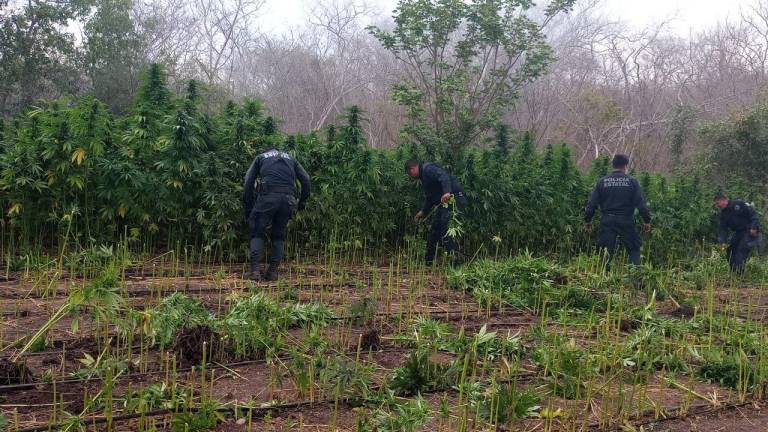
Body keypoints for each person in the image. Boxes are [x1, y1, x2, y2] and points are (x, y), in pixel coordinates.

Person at [242, 149, 311, 281]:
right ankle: (273, 272)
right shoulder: (292, 159)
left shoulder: (261, 157)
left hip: (267, 198)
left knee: (257, 231)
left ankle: (255, 272)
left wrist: (248, 205)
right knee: (278, 234)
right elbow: (306, 180)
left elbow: (248, 181)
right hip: (288, 200)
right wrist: (301, 202)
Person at [583, 154, 652, 268]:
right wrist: (647, 221)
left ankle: (604, 278)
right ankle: (636, 278)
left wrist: (587, 220)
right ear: (625, 166)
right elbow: (641, 204)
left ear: (613, 165)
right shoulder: (632, 181)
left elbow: (592, 204)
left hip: (607, 220)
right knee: (634, 248)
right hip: (626, 220)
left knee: (606, 250)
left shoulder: (602, 182)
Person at [405, 159, 467, 266]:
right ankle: (428, 262)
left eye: (409, 172)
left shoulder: (427, 169)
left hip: (454, 199)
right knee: (434, 231)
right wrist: (423, 212)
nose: (410, 175)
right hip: (445, 203)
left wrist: (447, 192)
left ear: (413, 168)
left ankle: (456, 264)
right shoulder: (424, 178)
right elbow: (430, 198)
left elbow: (443, 176)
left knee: (446, 230)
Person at [715, 192, 761, 273]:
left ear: (724, 200)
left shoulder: (739, 204)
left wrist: (754, 227)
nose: (717, 205)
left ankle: (740, 274)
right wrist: (723, 241)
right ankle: (734, 273)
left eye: (718, 203)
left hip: (749, 231)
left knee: (741, 251)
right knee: (730, 250)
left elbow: (754, 215)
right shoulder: (723, 214)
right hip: (738, 233)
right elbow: (722, 229)